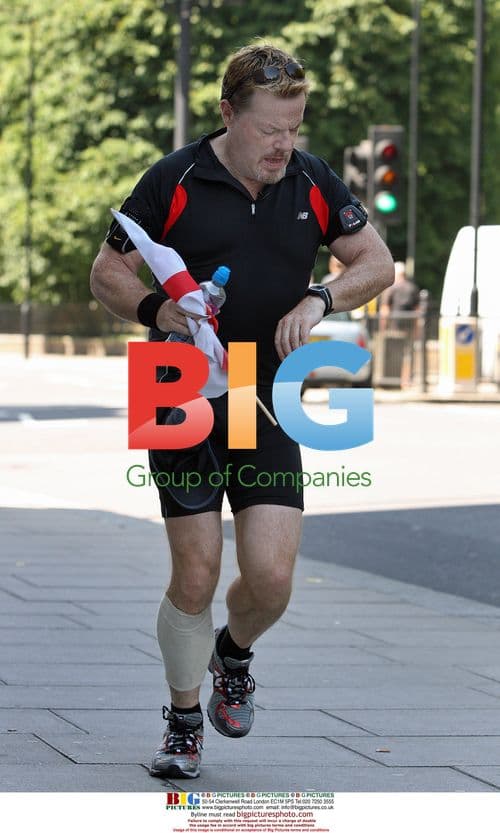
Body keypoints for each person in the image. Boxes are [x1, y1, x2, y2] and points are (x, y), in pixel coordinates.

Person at [90, 42, 394, 780]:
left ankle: (232, 654)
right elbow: (107, 272)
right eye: (268, 130)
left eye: (294, 127)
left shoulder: (311, 179)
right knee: (196, 572)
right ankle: (183, 720)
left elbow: (376, 262)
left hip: (265, 389)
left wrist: (319, 298)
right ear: (228, 114)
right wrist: (158, 309)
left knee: (272, 578)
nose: (283, 145)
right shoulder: (173, 178)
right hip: (177, 383)